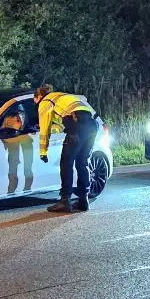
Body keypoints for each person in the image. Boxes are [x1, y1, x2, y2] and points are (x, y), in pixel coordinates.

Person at [34, 84, 98, 213]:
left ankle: (65, 201)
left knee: (66, 164)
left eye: (34, 100)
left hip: (76, 126)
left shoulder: (45, 102)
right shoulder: (61, 96)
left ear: (39, 96)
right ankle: (83, 200)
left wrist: (43, 151)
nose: (34, 103)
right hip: (92, 125)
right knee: (82, 163)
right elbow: (61, 122)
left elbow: (44, 129)